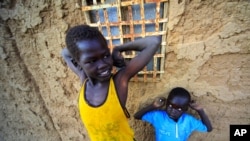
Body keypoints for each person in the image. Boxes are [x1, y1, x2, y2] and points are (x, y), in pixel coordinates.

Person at [61, 24, 161, 141]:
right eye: (92, 60)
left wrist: (118, 49)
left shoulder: (118, 83)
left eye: (105, 56)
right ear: (77, 63)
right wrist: (77, 50)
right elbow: (65, 53)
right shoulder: (83, 79)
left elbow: (154, 41)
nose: (103, 64)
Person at [134, 87, 213, 141]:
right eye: (170, 106)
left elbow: (208, 129)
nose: (173, 111)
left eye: (179, 109)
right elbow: (137, 116)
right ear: (166, 103)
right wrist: (153, 106)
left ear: (185, 109)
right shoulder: (158, 116)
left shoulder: (188, 120)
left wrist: (200, 110)